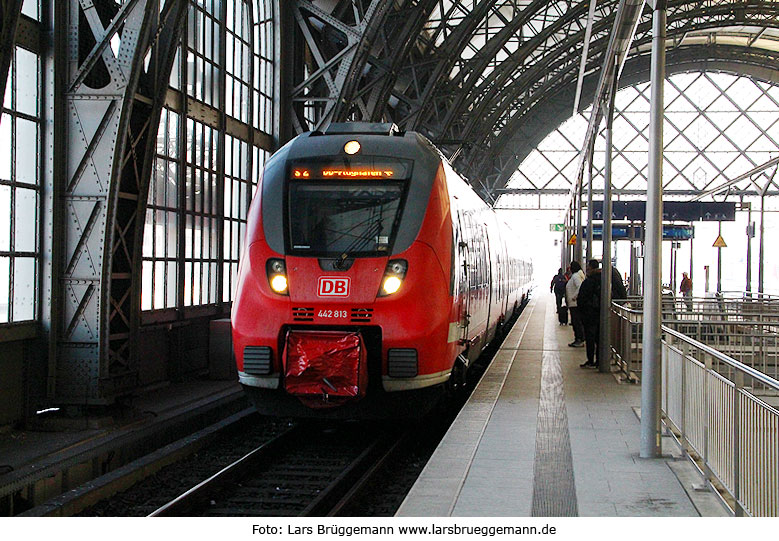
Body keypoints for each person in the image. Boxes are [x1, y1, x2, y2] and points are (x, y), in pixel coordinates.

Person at [577, 259, 602, 368]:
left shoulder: (589, 281)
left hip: (589, 314)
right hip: (600, 313)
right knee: (599, 338)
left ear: (591, 268)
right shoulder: (603, 280)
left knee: (590, 338)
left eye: (588, 267)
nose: (586, 269)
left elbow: (582, 298)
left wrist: (581, 311)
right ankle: (599, 360)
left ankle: (591, 360)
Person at [565, 261, 586, 347]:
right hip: (574, 304)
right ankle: (578, 339)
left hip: (575, 304)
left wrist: (574, 297)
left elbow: (580, 287)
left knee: (576, 322)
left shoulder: (575, 276)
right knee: (576, 322)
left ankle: (579, 339)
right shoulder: (576, 276)